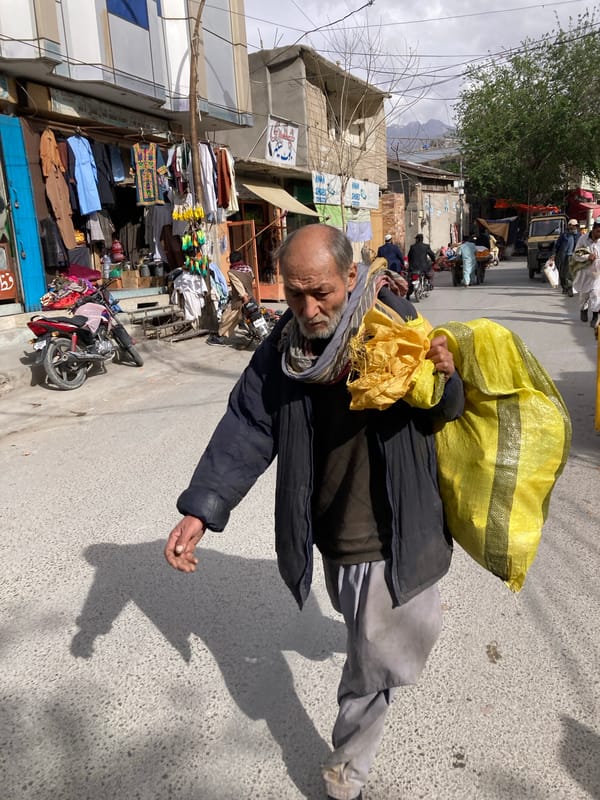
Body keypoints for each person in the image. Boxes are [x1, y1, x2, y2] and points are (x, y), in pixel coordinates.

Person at [165, 224, 464, 800]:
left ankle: (346, 773)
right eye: (295, 294)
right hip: (333, 532)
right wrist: (202, 508)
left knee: (381, 660)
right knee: (372, 641)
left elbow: (442, 409)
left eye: (321, 292)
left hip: (398, 526)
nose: (307, 307)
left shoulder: (395, 322)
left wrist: (445, 375)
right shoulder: (282, 351)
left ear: (351, 277)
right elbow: (249, 425)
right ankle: (367, 663)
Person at [206, 250, 255, 346]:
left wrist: (243, 296)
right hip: (251, 297)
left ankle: (221, 337)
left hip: (239, 300)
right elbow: (252, 279)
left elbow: (238, 285)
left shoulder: (232, 272)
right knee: (237, 319)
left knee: (226, 318)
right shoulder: (248, 268)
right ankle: (225, 335)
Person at [571, 218, 600, 327]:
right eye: (598, 231)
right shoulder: (583, 239)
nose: (599, 234)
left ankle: (595, 316)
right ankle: (583, 309)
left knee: (596, 294)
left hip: (598, 274)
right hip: (585, 273)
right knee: (584, 295)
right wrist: (587, 256)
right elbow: (576, 254)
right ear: (593, 229)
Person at [554, 219, 579, 295]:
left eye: (575, 226)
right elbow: (557, 245)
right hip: (562, 256)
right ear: (569, 225)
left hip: (571, 256)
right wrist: (553, 255)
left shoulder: (578, 235)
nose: (573, 227)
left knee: (569, 273)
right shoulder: (564, 235)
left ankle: (569, 288)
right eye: (572, 225)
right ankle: (564, 287)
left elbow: (579, 245)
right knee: (562, 273)